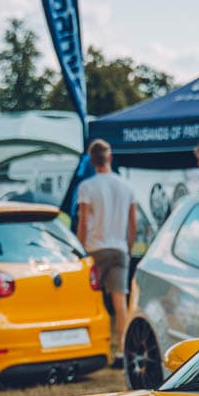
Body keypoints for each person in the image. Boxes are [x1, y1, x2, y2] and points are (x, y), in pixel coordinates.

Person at [74, 139, 141, 362]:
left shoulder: (87, 187)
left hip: (95, 248)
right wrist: (128, 248)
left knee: (90, 300)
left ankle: (90, 347)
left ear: (92, 161)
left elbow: (83, 222)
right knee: (120, 302)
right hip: (119, 248)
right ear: (110, 158)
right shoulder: (128, 186)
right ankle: (123, 350)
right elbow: (133, 224)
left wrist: (80, 250)